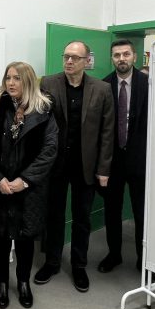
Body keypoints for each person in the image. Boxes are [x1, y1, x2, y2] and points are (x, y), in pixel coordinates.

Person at [0, 62, 57, 309]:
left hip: (27, 189)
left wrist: (25, 180)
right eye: (8, 78)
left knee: (24, 238)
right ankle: (1, 283)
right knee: (0, 237)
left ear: (28, 81)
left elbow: (49, 150)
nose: (10, 83)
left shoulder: (43, 110)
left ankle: (23, 282)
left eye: (17, 78)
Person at [35, 41, 114, 292]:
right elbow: (39, 122)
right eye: (66, 56)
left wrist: (104, 169)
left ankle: (79, 266)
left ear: (87, 61)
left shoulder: (101, 89)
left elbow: (107, 132)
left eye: (75, 58)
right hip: (55, 165)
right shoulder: (48, 83)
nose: (69, 61)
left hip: (85, 166)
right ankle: (52, 262)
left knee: (82, 218)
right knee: (54, 216)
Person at [98, 39, 149, 272]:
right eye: (117, 55)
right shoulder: (103, 86)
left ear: (134, 57)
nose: (121, 59)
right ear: (112, 58)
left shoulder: (149, 83)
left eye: (126, 54)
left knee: (141, 213)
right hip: (113, 161)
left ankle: (143, 259)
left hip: (141, 160)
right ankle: (114, 254)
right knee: (112, 211)